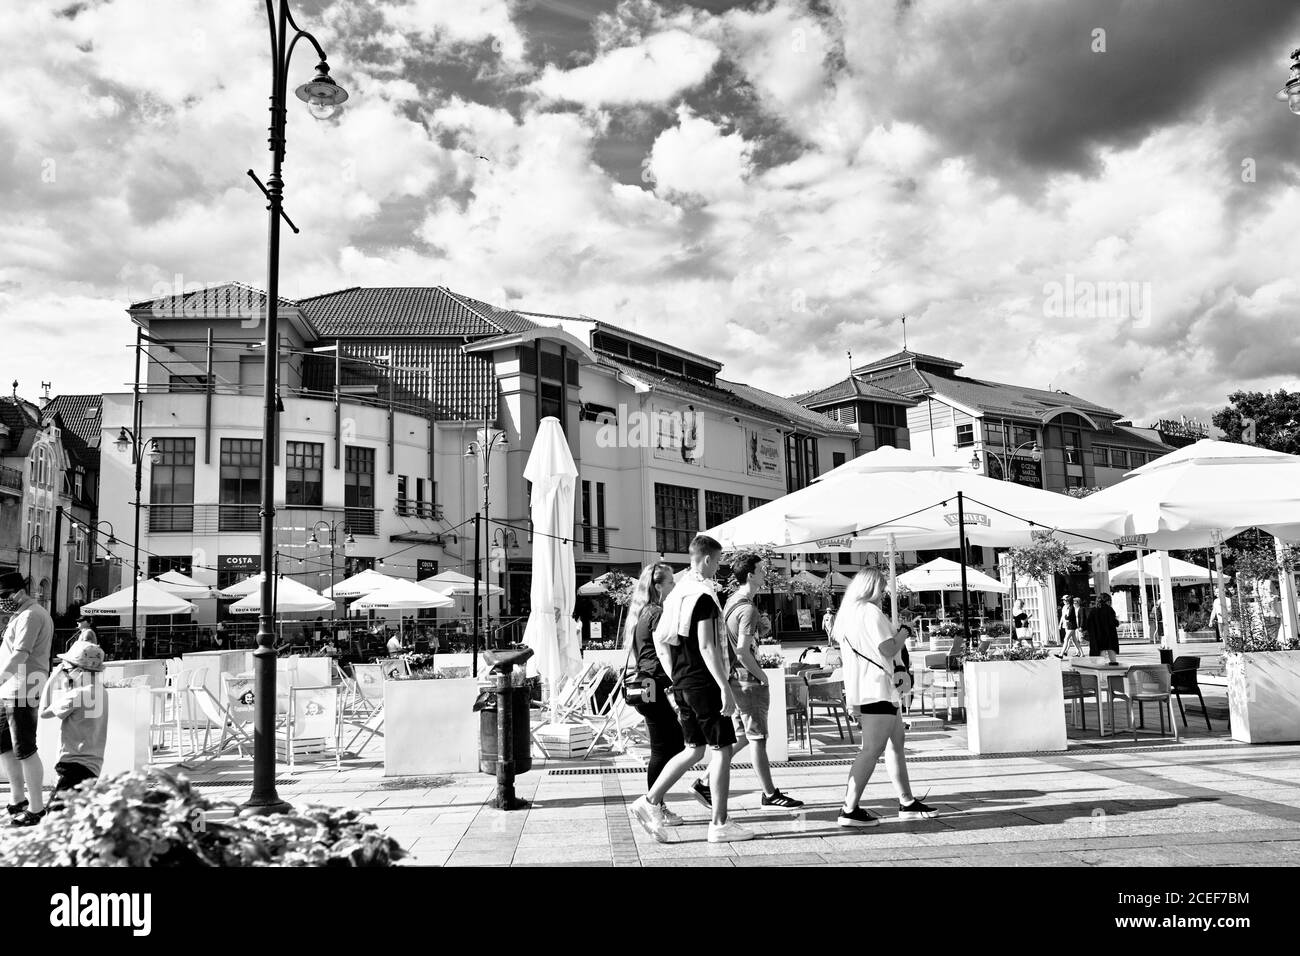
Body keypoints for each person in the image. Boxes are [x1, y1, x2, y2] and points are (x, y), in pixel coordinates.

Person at [629, 534, 753, 844]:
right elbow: (708, 645)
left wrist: (676, 675)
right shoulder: (703, 596)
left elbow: (661, 641)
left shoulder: (675, 595)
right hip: (704, 681)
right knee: (723, 748)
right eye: (719, 562)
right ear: (708, 559)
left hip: (683, 681)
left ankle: (650, 800)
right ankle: (719, 823)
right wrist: (724, 686)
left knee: (694, 748)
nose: (719, 568)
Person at [692, 553, 803, 811]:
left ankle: (705, 780)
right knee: (758, 738)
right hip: (748, 681)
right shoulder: (748, 608)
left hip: (734, 678)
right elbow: (742, 650)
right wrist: (762, 676)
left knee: (741, 736)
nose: (765, 574)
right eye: (762, 570)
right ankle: (770, 794)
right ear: (750, 575)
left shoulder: (731, 602)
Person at [833, 567, 936, 827]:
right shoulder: (870, 612)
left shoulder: (847, 615)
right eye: (881, 588)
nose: (884, 593)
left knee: (895, 744)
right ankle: (849, 809)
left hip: (868, 687)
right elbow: (887, 648)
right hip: (877, 687)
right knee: (871, 749)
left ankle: (907, 801)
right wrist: (904, 632)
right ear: (872, 588)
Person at [623, 562, 684, 814]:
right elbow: (667, 649)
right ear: (658, 586)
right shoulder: (656, 613)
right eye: (671, 582)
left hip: (647, 687)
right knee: (667, 747)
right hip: (653, 687)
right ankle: (653, 803)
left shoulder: (643, 612)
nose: (674, 585)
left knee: (670, 746)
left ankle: (656, 802)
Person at [0, 571, 54, 826]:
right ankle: (18, 799)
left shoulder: (32, 614)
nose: (1, 601)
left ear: (19, 592)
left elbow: (20, 654)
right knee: (5, 747)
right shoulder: (21, 614)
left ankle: (36, 808)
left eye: (3, 596)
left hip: (23, 688)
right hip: (11, 688)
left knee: (25, 749)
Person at [39, 639, 108, 802]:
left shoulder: (77, 695)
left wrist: (51, 680)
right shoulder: (101, 691)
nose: (65, 672)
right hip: (93, 765)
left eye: (66, 669)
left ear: (78, 670)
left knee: (57, 818)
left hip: (72, 764)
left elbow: (43, 713)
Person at [1085, 593, 1121, 664]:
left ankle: (1101, 667)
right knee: (1111, 650)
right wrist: (1117, 622)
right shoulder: (1109, 609)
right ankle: (1114, 667)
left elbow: (1088, 624)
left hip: (1098, 635)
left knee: (1101, 651)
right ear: (1107, 601)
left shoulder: (1093, 611)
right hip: (1109, 635)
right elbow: (1113, 622)